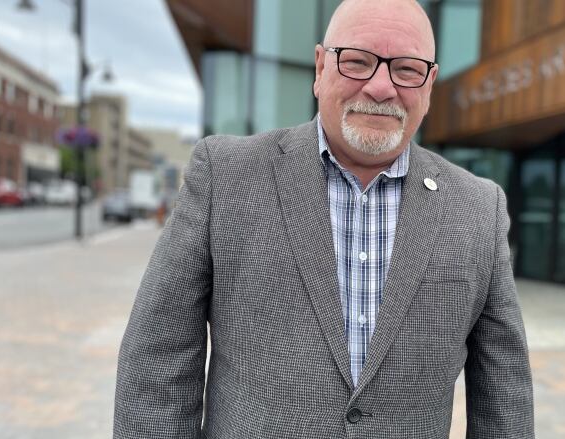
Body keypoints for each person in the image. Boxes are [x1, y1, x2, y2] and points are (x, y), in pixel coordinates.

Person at [113, 0, 534, 437]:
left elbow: (504, 394)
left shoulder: (479, 208)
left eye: (406, 69)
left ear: (429, 84)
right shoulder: (226, 175)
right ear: (319, 68)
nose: (380, 87)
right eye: (357, 62)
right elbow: (156, 363)